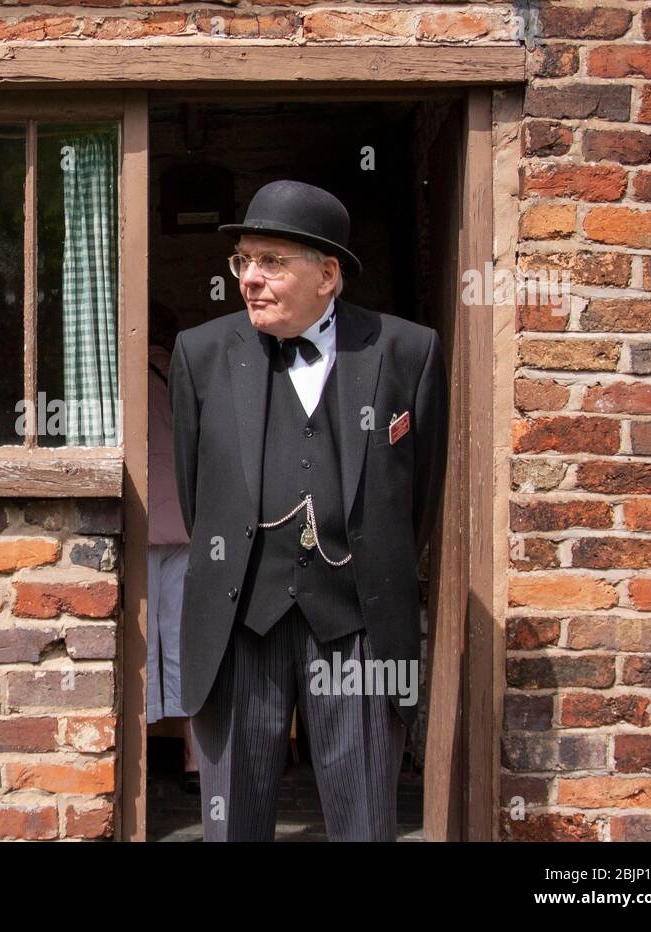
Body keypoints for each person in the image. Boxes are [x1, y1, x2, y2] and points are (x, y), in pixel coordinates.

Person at [168, 179, 449, 841]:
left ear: (326, 275)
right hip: (241, 621)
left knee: (364, 824)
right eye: (243, 261)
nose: (250, 279)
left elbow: (418, 496)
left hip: (356, 625)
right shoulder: (201, 353)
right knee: (233, 823)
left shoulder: (406, 351)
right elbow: (194, 491)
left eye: (271, 262)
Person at [146, 304, 198, 791]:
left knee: (139, 639)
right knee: (183, 634)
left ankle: (131, 752)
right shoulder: (185, 372)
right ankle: (193, 757)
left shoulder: (122, 375)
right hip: (186, 518)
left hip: (142, 520)